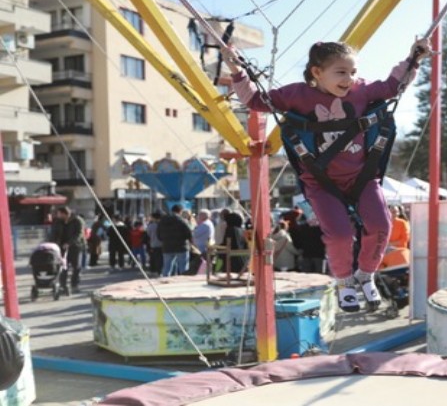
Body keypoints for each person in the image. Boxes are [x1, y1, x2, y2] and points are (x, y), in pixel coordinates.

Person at [224, 37, 431, 312]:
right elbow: (254, 99)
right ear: (317, 73)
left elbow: (394, 86)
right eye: (342, 72)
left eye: (353, 72)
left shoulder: (362, 91)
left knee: (382, 225)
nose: (350, 79)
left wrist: (414, 58)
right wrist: (236, 70)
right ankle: (345, 281)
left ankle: (366, 274)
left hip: (361, 178)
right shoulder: (297, 95)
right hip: (321, 183)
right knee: (340, 235)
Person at [55, 206, 86, 293]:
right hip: (62, 247)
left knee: (76, 267)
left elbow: (79, 234)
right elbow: (54, 232)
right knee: (63, 266)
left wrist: (69, 243)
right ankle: (63, 285)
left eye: (59, 214)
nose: (58, 215)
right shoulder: (58, 221)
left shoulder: (77, 220)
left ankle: (74, 285)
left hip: (76, 246)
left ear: (64, 214)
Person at [157, 204, 193, 277]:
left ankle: (164, 282)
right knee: (183, 268)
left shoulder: (162, 220)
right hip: (181, 246)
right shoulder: (182, 220)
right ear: (180, 211)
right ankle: (184, 283)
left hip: (167, 246)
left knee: (166, 267)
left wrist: (163, 240)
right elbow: (189, 232)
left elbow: (158, 233)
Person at [146, 211, 163, 275]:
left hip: (154, 243)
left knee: (155, 258)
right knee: (161, 258)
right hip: (163, 244)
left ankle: (156, 270)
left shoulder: (151, 225)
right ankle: (160, 270)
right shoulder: (162, 224)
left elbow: (148, 234)